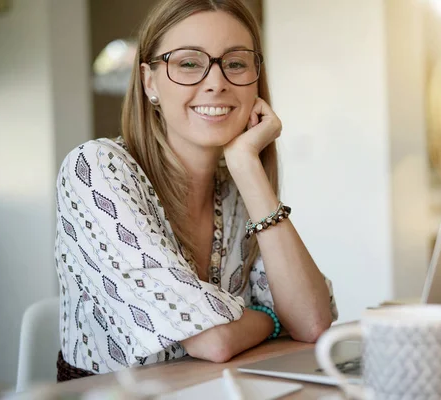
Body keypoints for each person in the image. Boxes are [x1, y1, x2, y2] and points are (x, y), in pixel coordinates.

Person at [55, 0, 337, 379]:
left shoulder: (236, 186)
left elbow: (310, 321)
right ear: (149, 81)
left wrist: (247, 168)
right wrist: (271, 319)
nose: (216, 81)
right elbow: (213, 341)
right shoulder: (96, 169)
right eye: (189, 63)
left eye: (235, 63)